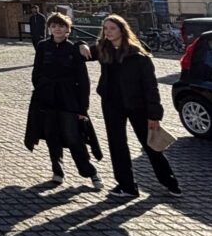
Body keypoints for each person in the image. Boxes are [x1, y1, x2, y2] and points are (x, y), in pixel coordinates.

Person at [89, 14, 181, 199]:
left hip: (137, 105)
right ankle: (127, 186)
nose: (108, 32)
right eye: (105, 28)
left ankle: (170, 182)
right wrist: (81, 46)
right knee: (117, 145)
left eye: (112, 28)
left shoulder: (137, 55)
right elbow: (80, 53)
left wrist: (154, 115)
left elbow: (151, 87)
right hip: (112, 104)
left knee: (150, 145)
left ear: (122, 30)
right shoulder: (103, 50)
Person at [26, 12, 102, 189]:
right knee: (52, 136)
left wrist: (83, 108)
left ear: (68, 29)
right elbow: (36, 72)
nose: (57, 29)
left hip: (68, 99)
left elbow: (83, 80)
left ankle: (89, 171)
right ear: (49, 29)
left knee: (73, 136)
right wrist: (41, 88)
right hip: (47, 98)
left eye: (61, 26)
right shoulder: (43, 46)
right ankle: (57, 171)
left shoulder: (75, 49)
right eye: (53, 26)